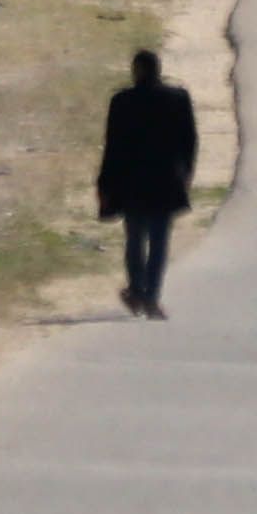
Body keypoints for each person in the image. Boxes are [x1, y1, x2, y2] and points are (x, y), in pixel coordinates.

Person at [93, 50, 198, 317]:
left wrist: (104, 183)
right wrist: (186, 174)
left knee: (135, 239)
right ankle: (151, 296)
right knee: (160, 241)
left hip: (132, 182)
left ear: (137, 70)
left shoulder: (122, 101)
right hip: (166, 181)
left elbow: (112, 146)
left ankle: (138, 291)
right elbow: (190, 141)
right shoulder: (178, 98)